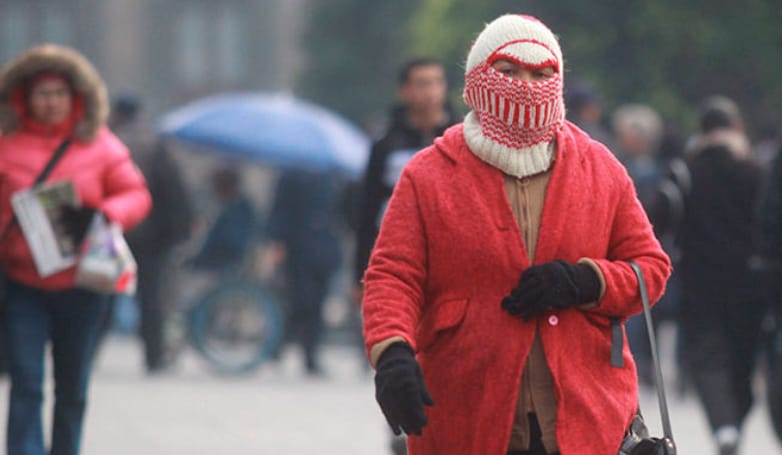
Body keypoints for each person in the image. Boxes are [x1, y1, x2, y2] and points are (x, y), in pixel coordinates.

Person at [361, 14, 671, 455]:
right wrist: (391, 352)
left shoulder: (600, 167)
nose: (526, 85)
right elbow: (393, 275)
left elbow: (650, 268)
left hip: (584, 413)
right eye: (508, 72)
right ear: (477, 78)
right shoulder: (428, 174)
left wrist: (584, 281)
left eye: (542, 73)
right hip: (468, 407)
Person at [0, 44, 151, 455]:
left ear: (77, 97)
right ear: (24, 97)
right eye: (42, 93)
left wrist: (106, 213)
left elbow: (135, 193)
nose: (51, 102)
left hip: (82, 284)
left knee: (73, 385)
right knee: (27, 381)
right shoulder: (6, 144)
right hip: (22, 285)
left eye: (59, 93)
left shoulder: (100, 145)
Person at [677, 96, 766, 455]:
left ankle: (723, 426)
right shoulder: (755, 171)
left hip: (700, 280)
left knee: (707, 358)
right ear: (737, 127)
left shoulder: (687, 171)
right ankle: (733, 426)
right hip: (748, 282)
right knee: (742, 358)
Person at [354, 57, 457, 301]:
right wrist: (360, 273)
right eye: (421, 83)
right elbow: (367, 209)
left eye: (436, 82)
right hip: (397, 250)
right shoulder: (386, 145)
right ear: (404, 92)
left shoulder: (463, 138)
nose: (430, 91)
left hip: (451, 253)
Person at [112, 96, 194, 374]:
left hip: (115, 230)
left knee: (104, 292)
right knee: (151, 298)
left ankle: (87, 353)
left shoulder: (110, 142)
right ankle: (153, 356)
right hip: (151, 236)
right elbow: (174, 191)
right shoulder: (155, 143)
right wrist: (178, 231)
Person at [266, 169, 343, 376]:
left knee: (316, 306)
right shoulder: (290, 175)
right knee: (301, 302)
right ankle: (280, 345)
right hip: (298, 251)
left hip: (325, 252)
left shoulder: (334, 177)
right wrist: (278, 241)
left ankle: (310, 356)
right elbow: (279, 211)